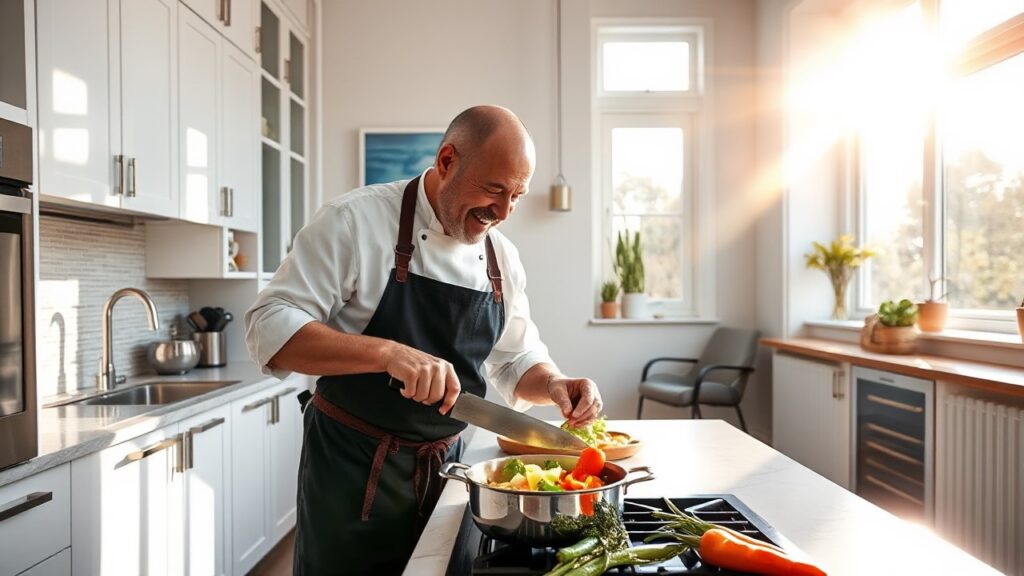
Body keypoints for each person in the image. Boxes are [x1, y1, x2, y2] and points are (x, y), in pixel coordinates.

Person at [244, 105, 603, 575]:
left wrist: (554, 382)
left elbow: (516, 360)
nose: (503, 212)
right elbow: (268, 326)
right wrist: (387, 353)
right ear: (448, 160)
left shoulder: (502, 258)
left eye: (517, 195)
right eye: (494, 189)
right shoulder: (354, 220)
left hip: (450, 473)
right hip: (352, 474)